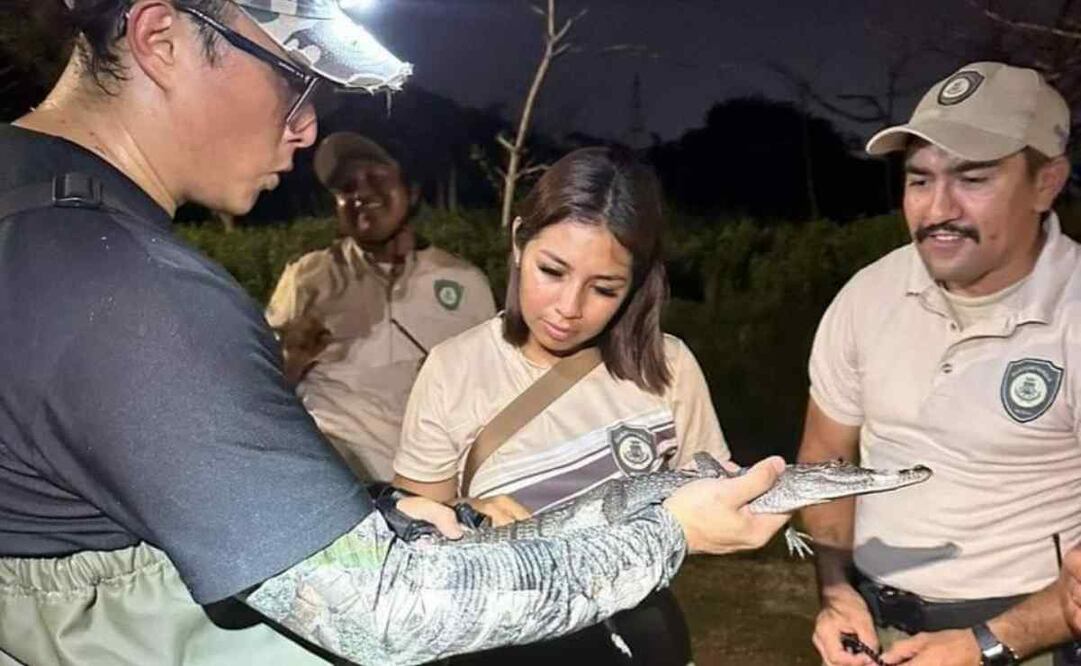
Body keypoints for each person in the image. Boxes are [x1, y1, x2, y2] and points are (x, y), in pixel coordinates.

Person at [0, 2, 791, 664]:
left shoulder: (33, 223)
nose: (306, 129)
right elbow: (384, 609)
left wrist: (378, 515)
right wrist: (666, 530)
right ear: (162, 38)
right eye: (296, 80)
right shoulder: (129, 286)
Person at [393, 146, 728, 664]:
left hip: (640, 636)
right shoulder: (453, 369)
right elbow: (417, 538)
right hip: (500, 640)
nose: (569, 310)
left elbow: (709, 510)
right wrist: (469, 515)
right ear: (518, 242)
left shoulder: (670, 368)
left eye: (604, 288)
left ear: (636, 283)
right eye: (552, 271)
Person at [799, 61, 1079, 666]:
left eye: (972, 179)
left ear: (1045, 182)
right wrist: (834, 589)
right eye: (919, 180)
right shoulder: (867, 296)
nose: (936, 209)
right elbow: (826, 458)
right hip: (876, 630)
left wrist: (988, 645)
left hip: (1028, 641)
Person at [266, 131, 495, 481]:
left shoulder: (464, 282)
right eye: (345, 187)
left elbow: (492, 394)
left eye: (376, 178)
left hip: (423, 474)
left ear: (412, 191)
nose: (360, 193)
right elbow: (263, 388)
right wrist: (292, 357)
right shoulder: (308, 276)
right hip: (326, 458)